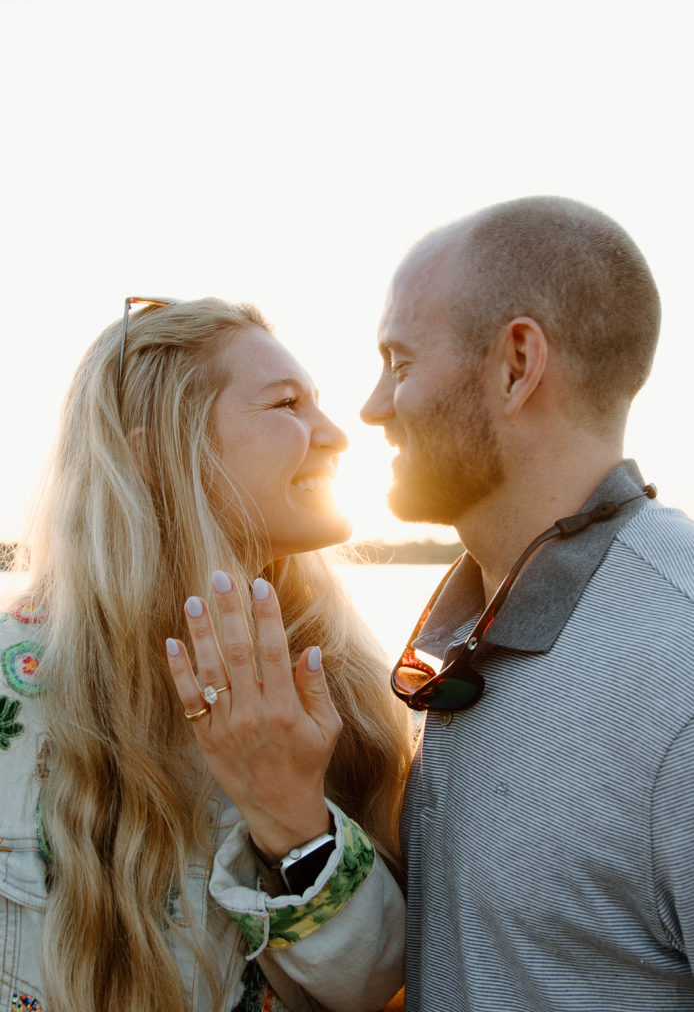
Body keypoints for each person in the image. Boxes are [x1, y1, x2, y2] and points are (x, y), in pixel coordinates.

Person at [0, 297, 411, 1012]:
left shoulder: (341, 676)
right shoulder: (17, 676)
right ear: (152, 451)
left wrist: (289, 814)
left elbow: (372, 987)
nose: (338, 434)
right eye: (286, 403)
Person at [357, 195, 694, 1010]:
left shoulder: (678, 665)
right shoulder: (467, 624)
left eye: (400, 362)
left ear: (515, 364)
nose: (371, 406)